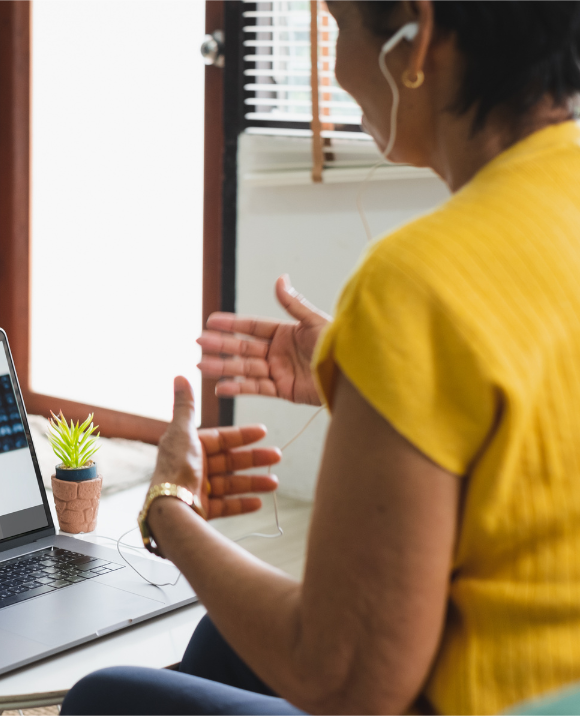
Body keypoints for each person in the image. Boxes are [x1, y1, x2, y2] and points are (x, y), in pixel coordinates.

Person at [62, 0, 580, 714]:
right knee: (220, 642)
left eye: (338, 25)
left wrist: (168, 508)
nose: (334, 68)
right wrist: (375, 372)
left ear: (416, 33)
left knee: (108, 699)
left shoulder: (420, 279)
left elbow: (343, 677)